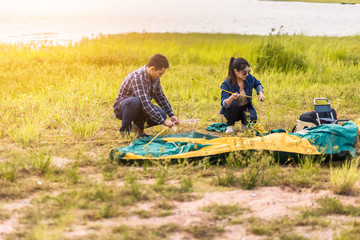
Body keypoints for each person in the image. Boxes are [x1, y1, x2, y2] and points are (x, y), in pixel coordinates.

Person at [113, 54, 180, 137]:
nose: (161, 76)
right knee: (135, 101)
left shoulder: (155, 78)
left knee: (162, 114)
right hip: (123, 108)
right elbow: (145, 103)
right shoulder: (137, 77)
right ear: (152, 69)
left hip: (139, 107)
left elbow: (160, 97)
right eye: (160, 73)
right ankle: (125, 131)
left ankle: (137, 128)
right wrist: (163, 122)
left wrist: (171, 114)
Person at [220, 57, 265, 134]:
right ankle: (230, 125)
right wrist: (231, 98)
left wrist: (261, 94)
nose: (247, 74)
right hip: (233, 111)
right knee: (233, 104)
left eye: (248, 72)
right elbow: (224, 103)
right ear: (236, 71)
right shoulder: (226, 84)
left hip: (245, 108)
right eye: (244, 72)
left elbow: (257, 84)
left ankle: (245, 124)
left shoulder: (249, 78)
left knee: (253, 117)